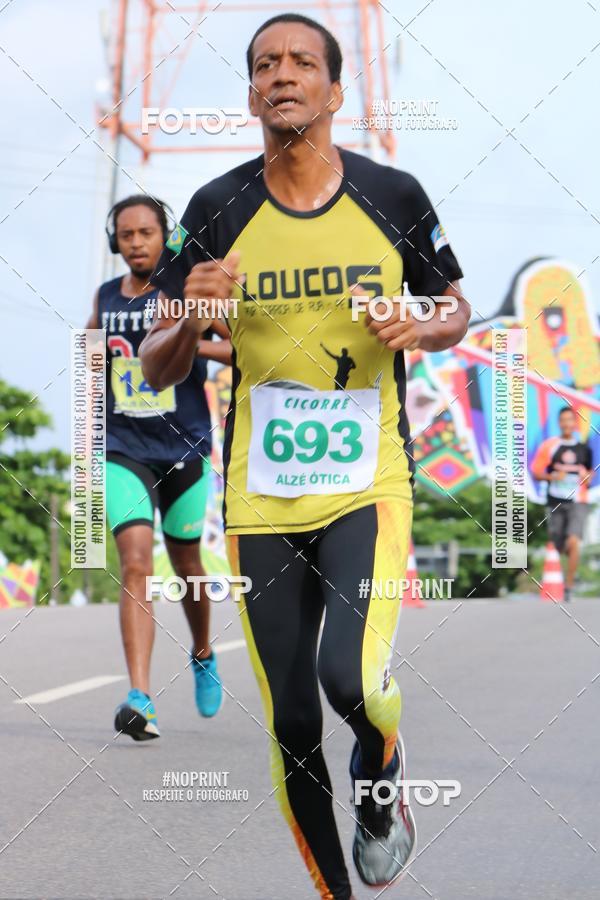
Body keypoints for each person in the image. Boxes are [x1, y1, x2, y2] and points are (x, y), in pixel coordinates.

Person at [140, 14, 470, 898]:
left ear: (334, 90)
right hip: (260, 502)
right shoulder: (213, 210)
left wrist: (422, 323)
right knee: (290, 724)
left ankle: (380, 778)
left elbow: (456, 309)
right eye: (264, 65)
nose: (281, 74)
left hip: (370, 483)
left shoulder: (394, 195)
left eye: (301, 63)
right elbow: (155, 361)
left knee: (350, 681)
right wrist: (187, 313)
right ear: (251, 93)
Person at [87, 194, 231, 741]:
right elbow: (89, 360)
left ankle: (201, 653)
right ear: (116, 242)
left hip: (184, 448)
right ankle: (140, 697)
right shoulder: (104, 299)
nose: (137, 243)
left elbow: (236, 350)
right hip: (123, 447)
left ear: (162, 235)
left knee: (188, 565)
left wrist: (187, 338)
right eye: (127, 235)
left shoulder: (184, 291)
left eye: (147, 233)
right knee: (136, 565)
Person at [532, 406, 593, 602]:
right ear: (559, 423)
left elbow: (590, 477)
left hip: (578, 500)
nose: (567, 424)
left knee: (573, 541)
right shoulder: (550, 446)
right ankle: (563, 562)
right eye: (563, 420)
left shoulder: (584, 449)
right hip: (555, 499)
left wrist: (586, 477)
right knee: (558, 543)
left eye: (570, 420)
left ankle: (569, 585)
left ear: (575, 423)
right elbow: (537, 472)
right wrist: (553, 476)